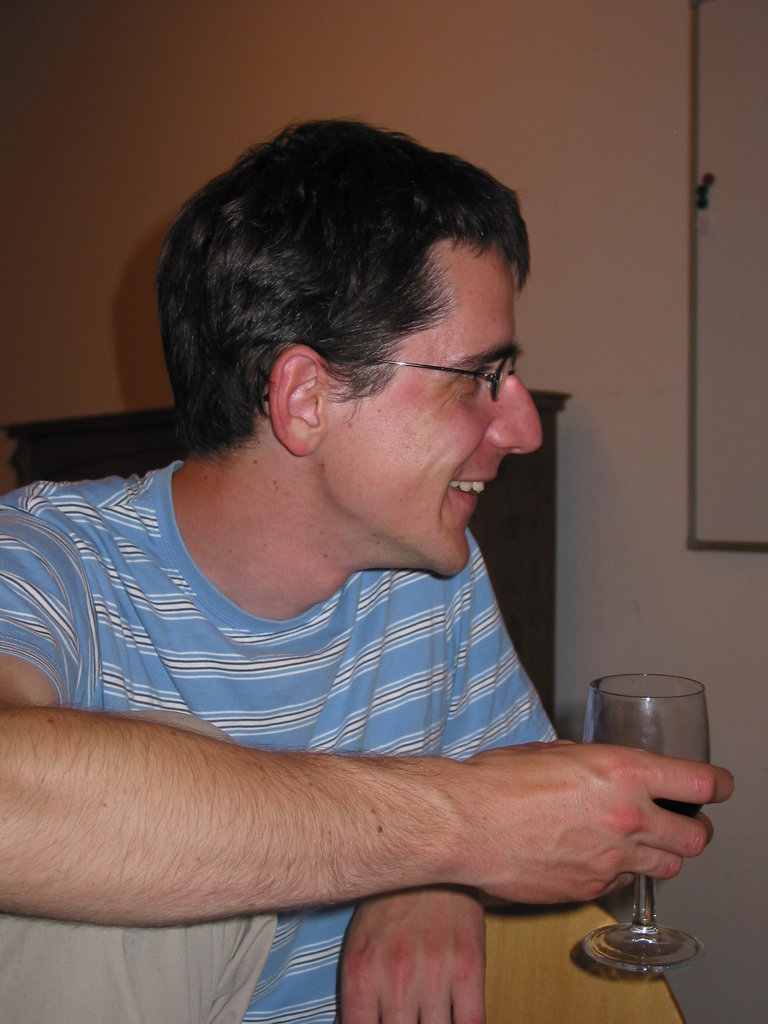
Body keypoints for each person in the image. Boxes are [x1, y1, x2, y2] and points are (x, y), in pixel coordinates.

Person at [0, 120, 732, 1022]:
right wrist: (444, 835)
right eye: (478, 377)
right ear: (307, 398)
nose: (522, 429)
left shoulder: (429, 574)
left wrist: (441, 877)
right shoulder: (47, 558)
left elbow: (541, 824)